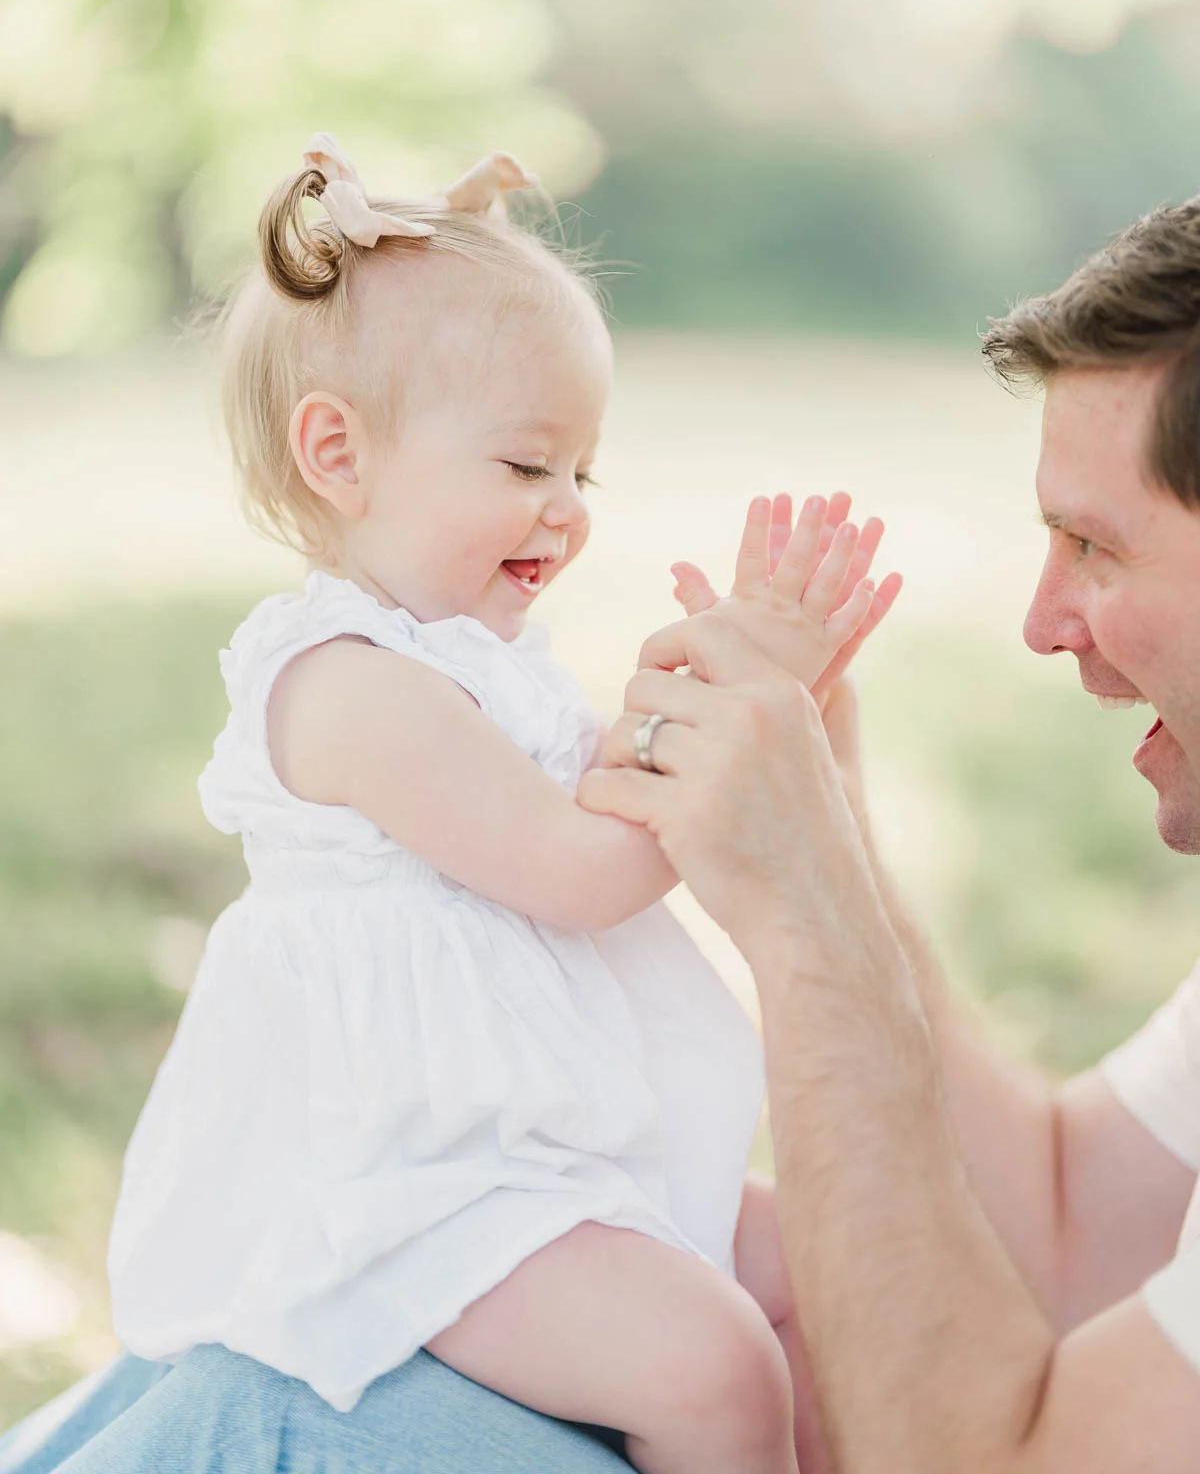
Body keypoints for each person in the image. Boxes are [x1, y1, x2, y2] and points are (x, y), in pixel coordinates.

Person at [16, 197, 1200, 1473]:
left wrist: (755, 767)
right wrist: (763, 760)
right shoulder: (344, 682)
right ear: (337, 454)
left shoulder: (479, 674)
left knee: (775, 1299)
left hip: (532, 1166)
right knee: (716, 1363)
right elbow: (595, 861)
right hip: (415, 1184)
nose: (570, 509)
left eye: (582, 472)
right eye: (530, 468)